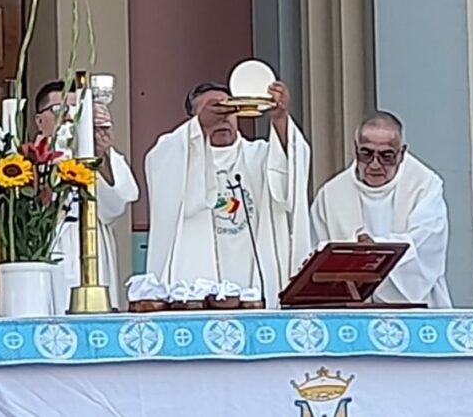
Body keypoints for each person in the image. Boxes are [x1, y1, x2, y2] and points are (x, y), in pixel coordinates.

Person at [144, 80, 311, 308]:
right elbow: (158, 163)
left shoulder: (260, 155)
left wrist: (280, 118)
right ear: (194, 118)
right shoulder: (178, 153)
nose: (223, 117)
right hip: (195, 290)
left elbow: (290, 167)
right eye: (214, 110)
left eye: (229, 110)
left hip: (255, 291)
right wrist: (200, 125)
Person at [310, 111, 451, 307]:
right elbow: (316, 258)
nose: (375, 165)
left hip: (417, 312)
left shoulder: (425, 186)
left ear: (401, 154)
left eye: (386, 156)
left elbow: (425, 246)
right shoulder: (331, 194)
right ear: (355, 149)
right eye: (366, 154)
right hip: (352, 315)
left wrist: (374, 249)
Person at [34, 80, 140, 309]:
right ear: (40, 121)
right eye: (60, 109)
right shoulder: (23, 161)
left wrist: (101, 156)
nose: (70, 117)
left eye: (77, 109)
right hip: (47, 254)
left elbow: (115, 207)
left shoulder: (99, 157)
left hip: (93, 252)